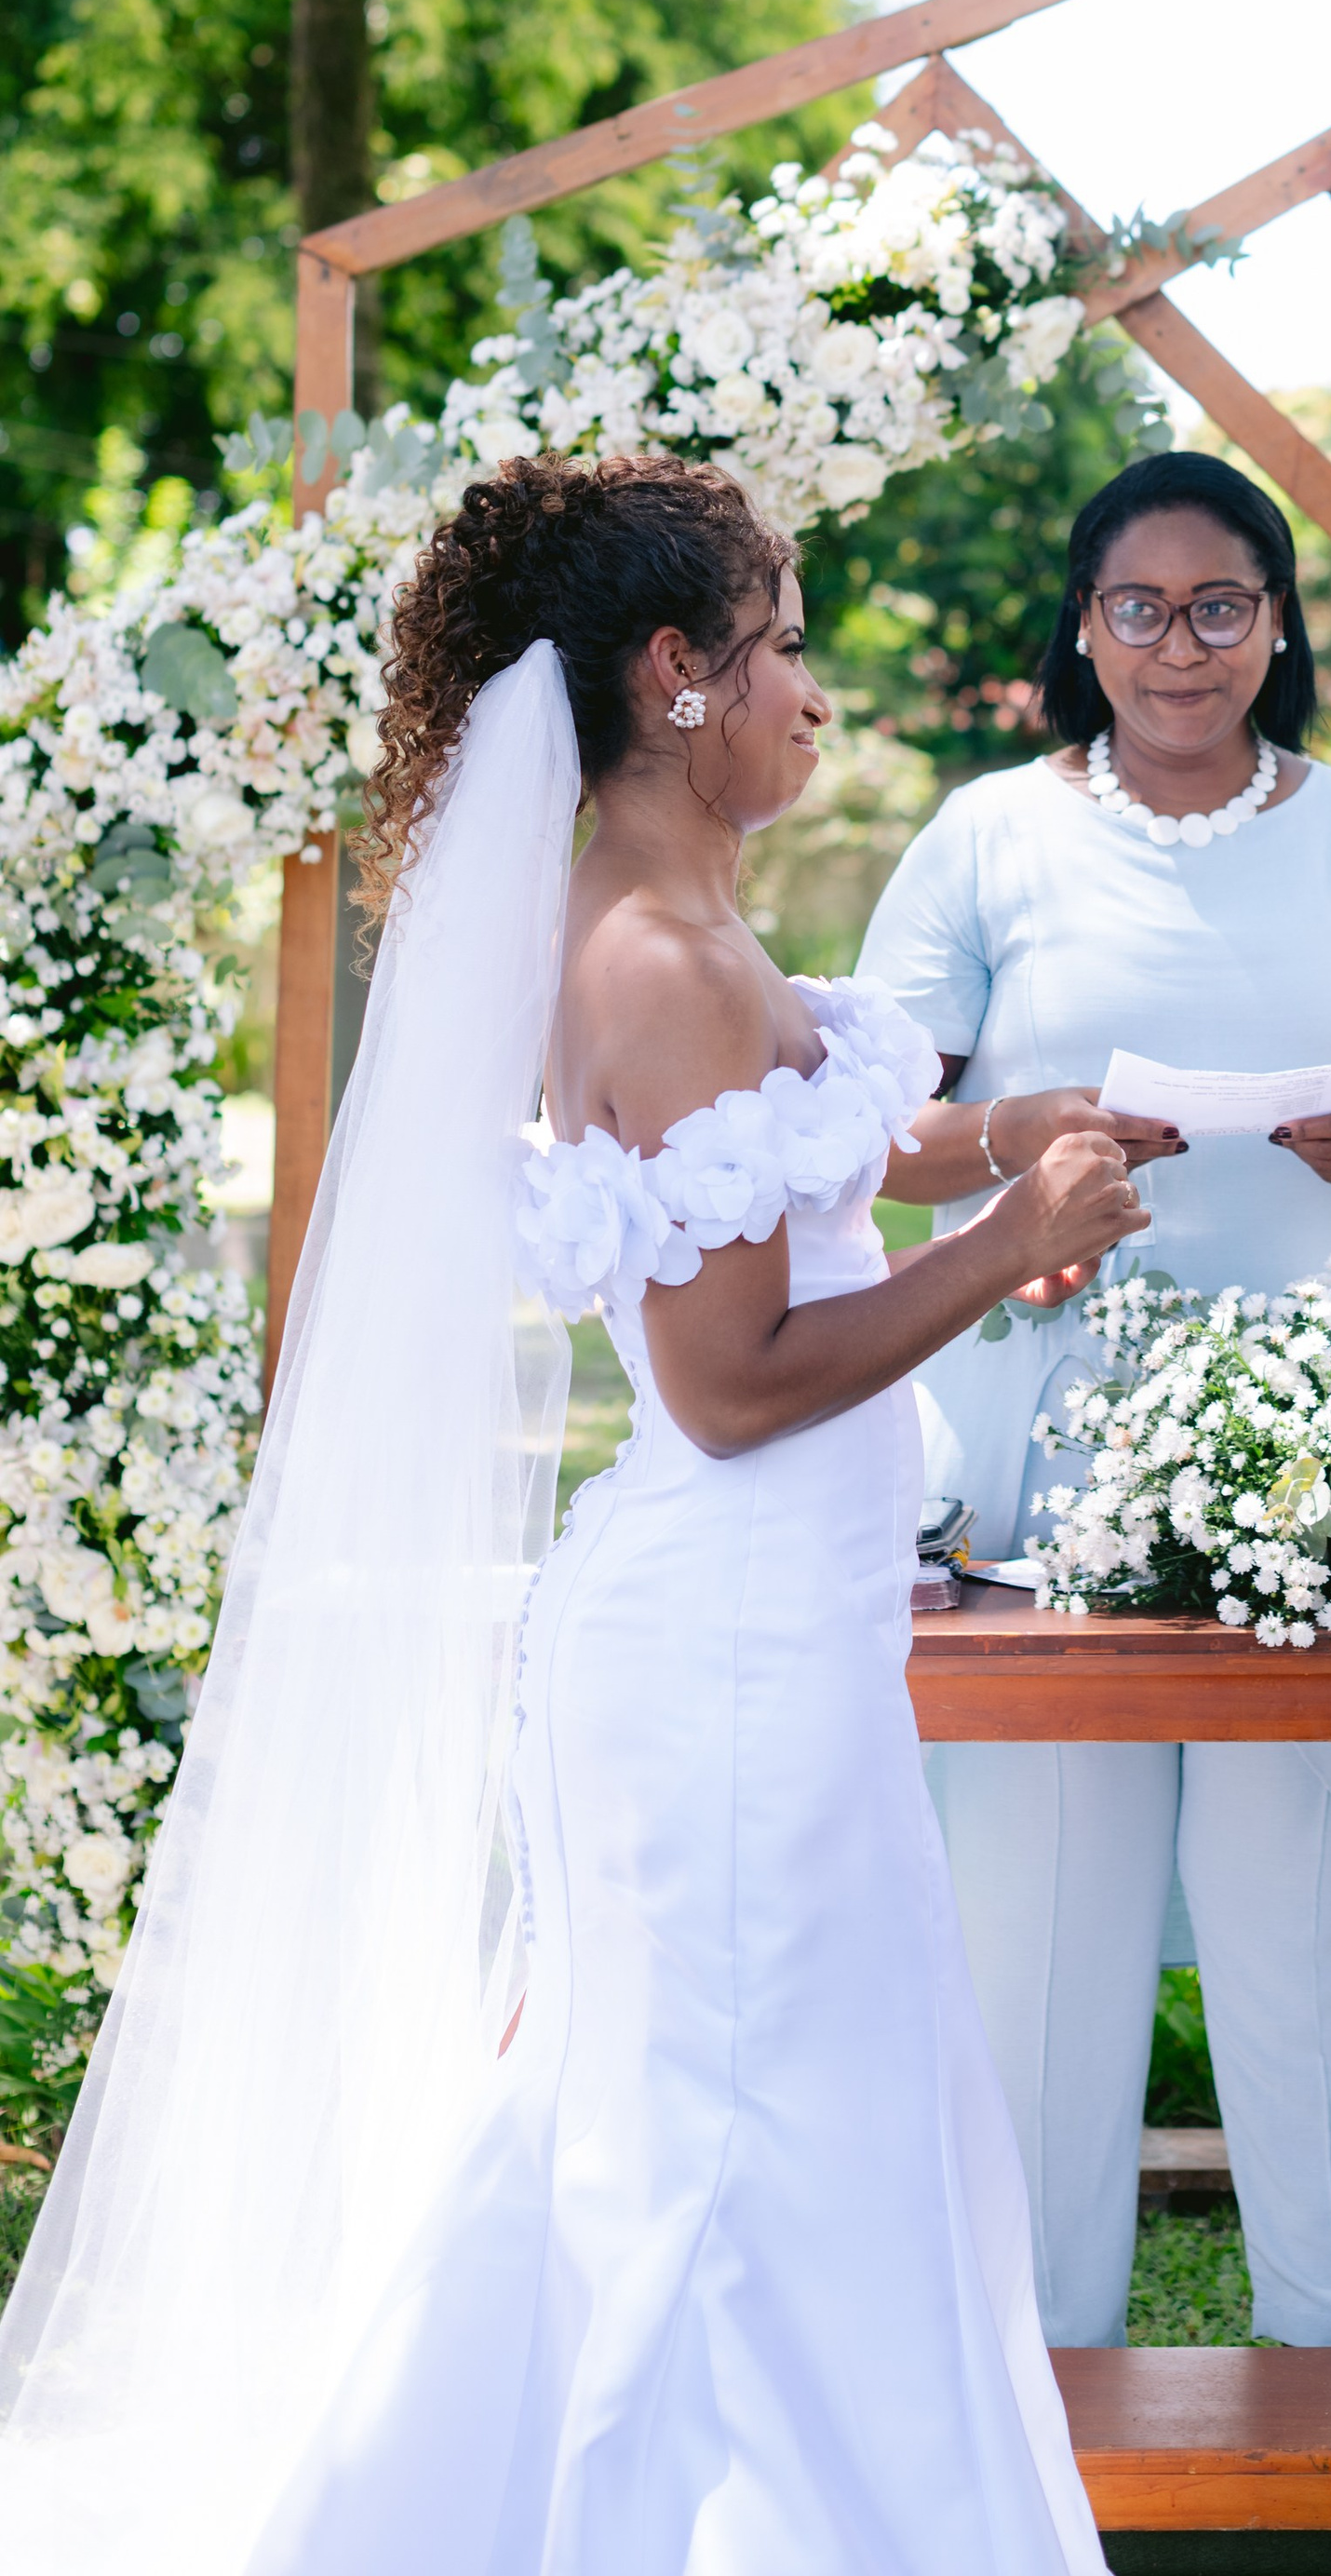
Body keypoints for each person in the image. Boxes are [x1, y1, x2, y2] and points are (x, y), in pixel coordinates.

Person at [0, 455, 1143, 2576]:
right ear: (671, 670)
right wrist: (1014, 1234)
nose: (813, 686)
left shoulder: (664, 910)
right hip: (724, 1649)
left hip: (746, 1635)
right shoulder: (652, 947)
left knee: (676, 2129)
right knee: (739, 2162)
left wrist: (1000, 1131)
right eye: (783, 639)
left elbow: (794, 1152)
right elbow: (725, 1388)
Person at [858, 450, 1331, 2353]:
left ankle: (1326, 2365)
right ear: (1081, 628)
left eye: (1218, 603)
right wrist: (1015, 1154)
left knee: (1296, 1940)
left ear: (1278, 621)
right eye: (1136, 607)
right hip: (1047, 1468)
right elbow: (875, 1136)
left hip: (1317, 1480)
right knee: (1039, 1954)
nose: (1177, 645)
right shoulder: (988, 837)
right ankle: (1045, 2390)